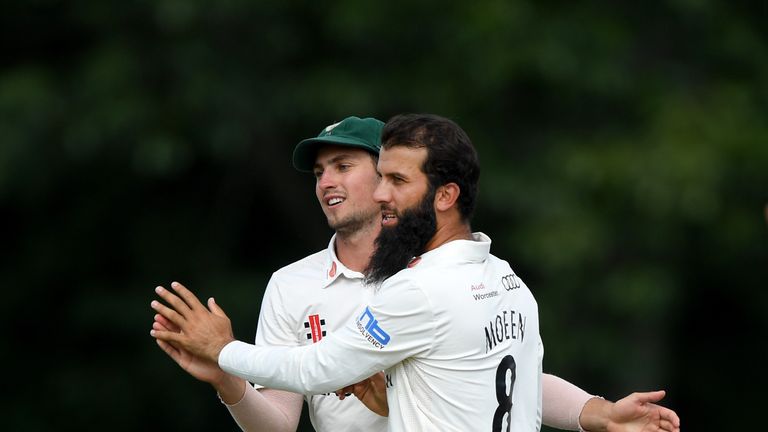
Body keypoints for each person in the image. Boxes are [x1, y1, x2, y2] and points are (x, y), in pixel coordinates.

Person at [151, 115, 681, 432]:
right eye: (319, 172)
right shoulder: (497, 275)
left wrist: (223, 350)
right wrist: (226, 378)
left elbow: (319, 368)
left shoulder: (422, 283)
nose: (328, 182)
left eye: (348, 166)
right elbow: (282, 419)